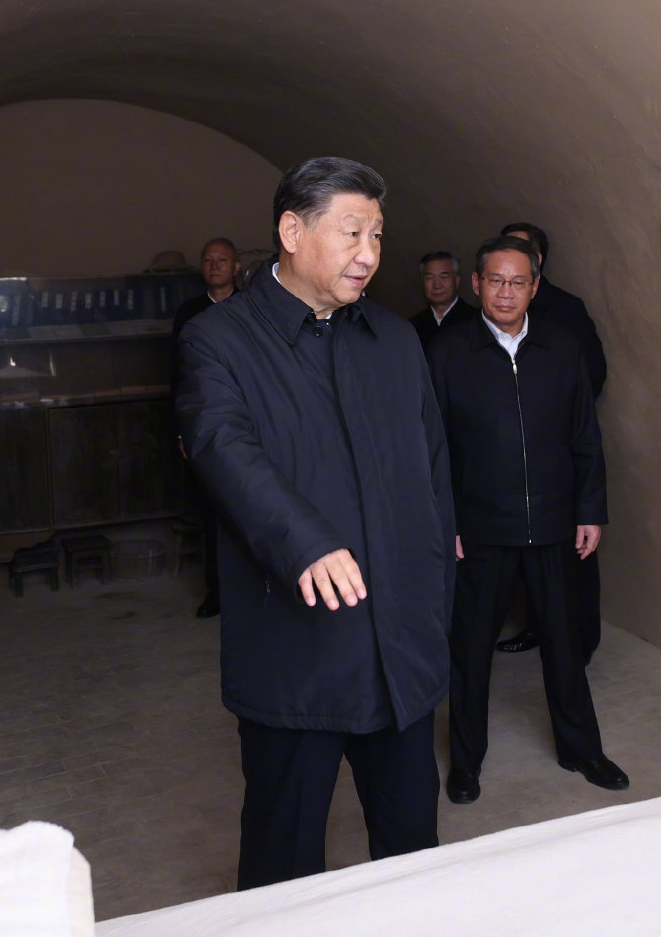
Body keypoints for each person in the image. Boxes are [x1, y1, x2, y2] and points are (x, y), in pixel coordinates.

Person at [175, 157, 455, 890]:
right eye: (351, 231)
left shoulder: (393, 338)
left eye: (377, 235)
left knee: (413, 854)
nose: (369, 253)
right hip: (298, 652)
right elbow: (221, 447)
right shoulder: (220, 339)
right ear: (292, 231)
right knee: (284, 862)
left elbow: (432, 468)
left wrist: (435, 598)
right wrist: (305, 541)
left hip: (400, 651)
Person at [428, 234, 627, 804]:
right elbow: (430, 446)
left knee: (564, 644)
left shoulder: (561, 347)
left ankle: (581, 748)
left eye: (518, 282)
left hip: (555, 526)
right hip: (480, 531)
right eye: (495, 280)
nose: (506, 292)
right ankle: (466, 762)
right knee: (470, 652)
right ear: (476, 284)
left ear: (535, 287)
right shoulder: (447, 352)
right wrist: (447, 521)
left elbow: (585, 435)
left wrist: (589, 510)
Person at [495, 221, 608, 658]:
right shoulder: (492, 312)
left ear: (538, 262)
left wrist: (547, 419)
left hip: (557, 456)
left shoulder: (565, 309)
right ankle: (537, 628)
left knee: (575, 556)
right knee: (527, 559)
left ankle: (581, 641)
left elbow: (590, 378)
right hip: (511, 463)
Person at [172, 237, 241, 618]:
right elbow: (178, 376)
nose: (215, 266)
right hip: (205, 425)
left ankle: (253, 594)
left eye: (222, 260)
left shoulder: (252, 308)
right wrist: (182, 431)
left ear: (236, 267)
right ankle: (217, 592)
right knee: (212, 512)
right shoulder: (190, 313)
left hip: (247, 424)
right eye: (208, 260)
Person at [409, 250, 478, 350]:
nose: (437, 285)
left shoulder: (476, 321)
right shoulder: (411, 326)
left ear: (457, 281)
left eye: (444, 277)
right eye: (430, 278)